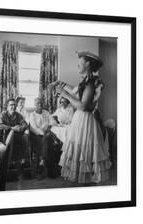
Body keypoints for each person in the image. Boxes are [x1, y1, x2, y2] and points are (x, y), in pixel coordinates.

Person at [52, 50, 111, 184]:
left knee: (84, 152)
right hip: (80, 120)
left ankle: (86, 186)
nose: (78, 64)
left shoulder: (91, 82)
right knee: (80, 152)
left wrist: (64, 95)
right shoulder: (87, 81)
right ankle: (83, 184)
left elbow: (83, 106)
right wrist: (60, 83)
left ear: (88, 63)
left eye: (80, 61)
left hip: (85, 120)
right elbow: (76, 90)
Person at [0, 98, 29, 167]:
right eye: (11, 105)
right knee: (11, 137)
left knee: (25, 137)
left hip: (17, 136)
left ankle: (23, 160)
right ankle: (10, 162)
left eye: (14, 105)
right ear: (7, 106)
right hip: (6, 136)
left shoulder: (18, 115)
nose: (13, 107)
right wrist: (12, 128)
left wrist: (20, 128)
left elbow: (25, 125)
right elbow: (0, 125)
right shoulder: (3, 114)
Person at [29, 97, 52, 174]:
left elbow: (53, 122)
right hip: (36, 135)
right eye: (38, 103)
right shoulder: (32, 115)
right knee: (43, 140)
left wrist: (48, 126)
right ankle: (42, 162)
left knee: (47, 139)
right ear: (35, 105)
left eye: (41, 103)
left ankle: (43, 163)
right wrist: (43, 133)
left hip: (47, 134)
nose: (40, 105)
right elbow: (33, 129)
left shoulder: (46, 112)